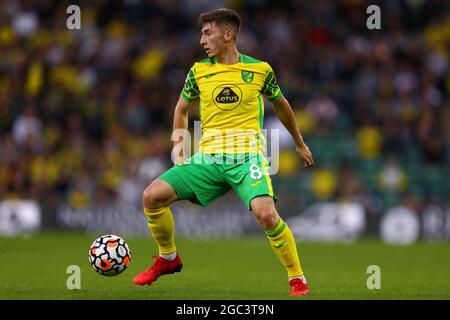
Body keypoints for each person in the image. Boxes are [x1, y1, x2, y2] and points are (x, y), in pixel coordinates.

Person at [133, 8, 314, 296]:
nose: (202, 40)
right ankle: (168, 258)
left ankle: (297, 278)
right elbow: (181, 108)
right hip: (209, 159)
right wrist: (179, 147)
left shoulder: (260, 70)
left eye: (208, 33)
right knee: (152, 196)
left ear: (228, 35)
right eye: (202, 33)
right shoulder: (198, 71)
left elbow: (281, 105)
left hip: (247, 158)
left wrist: (299, 142)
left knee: (266, 215)